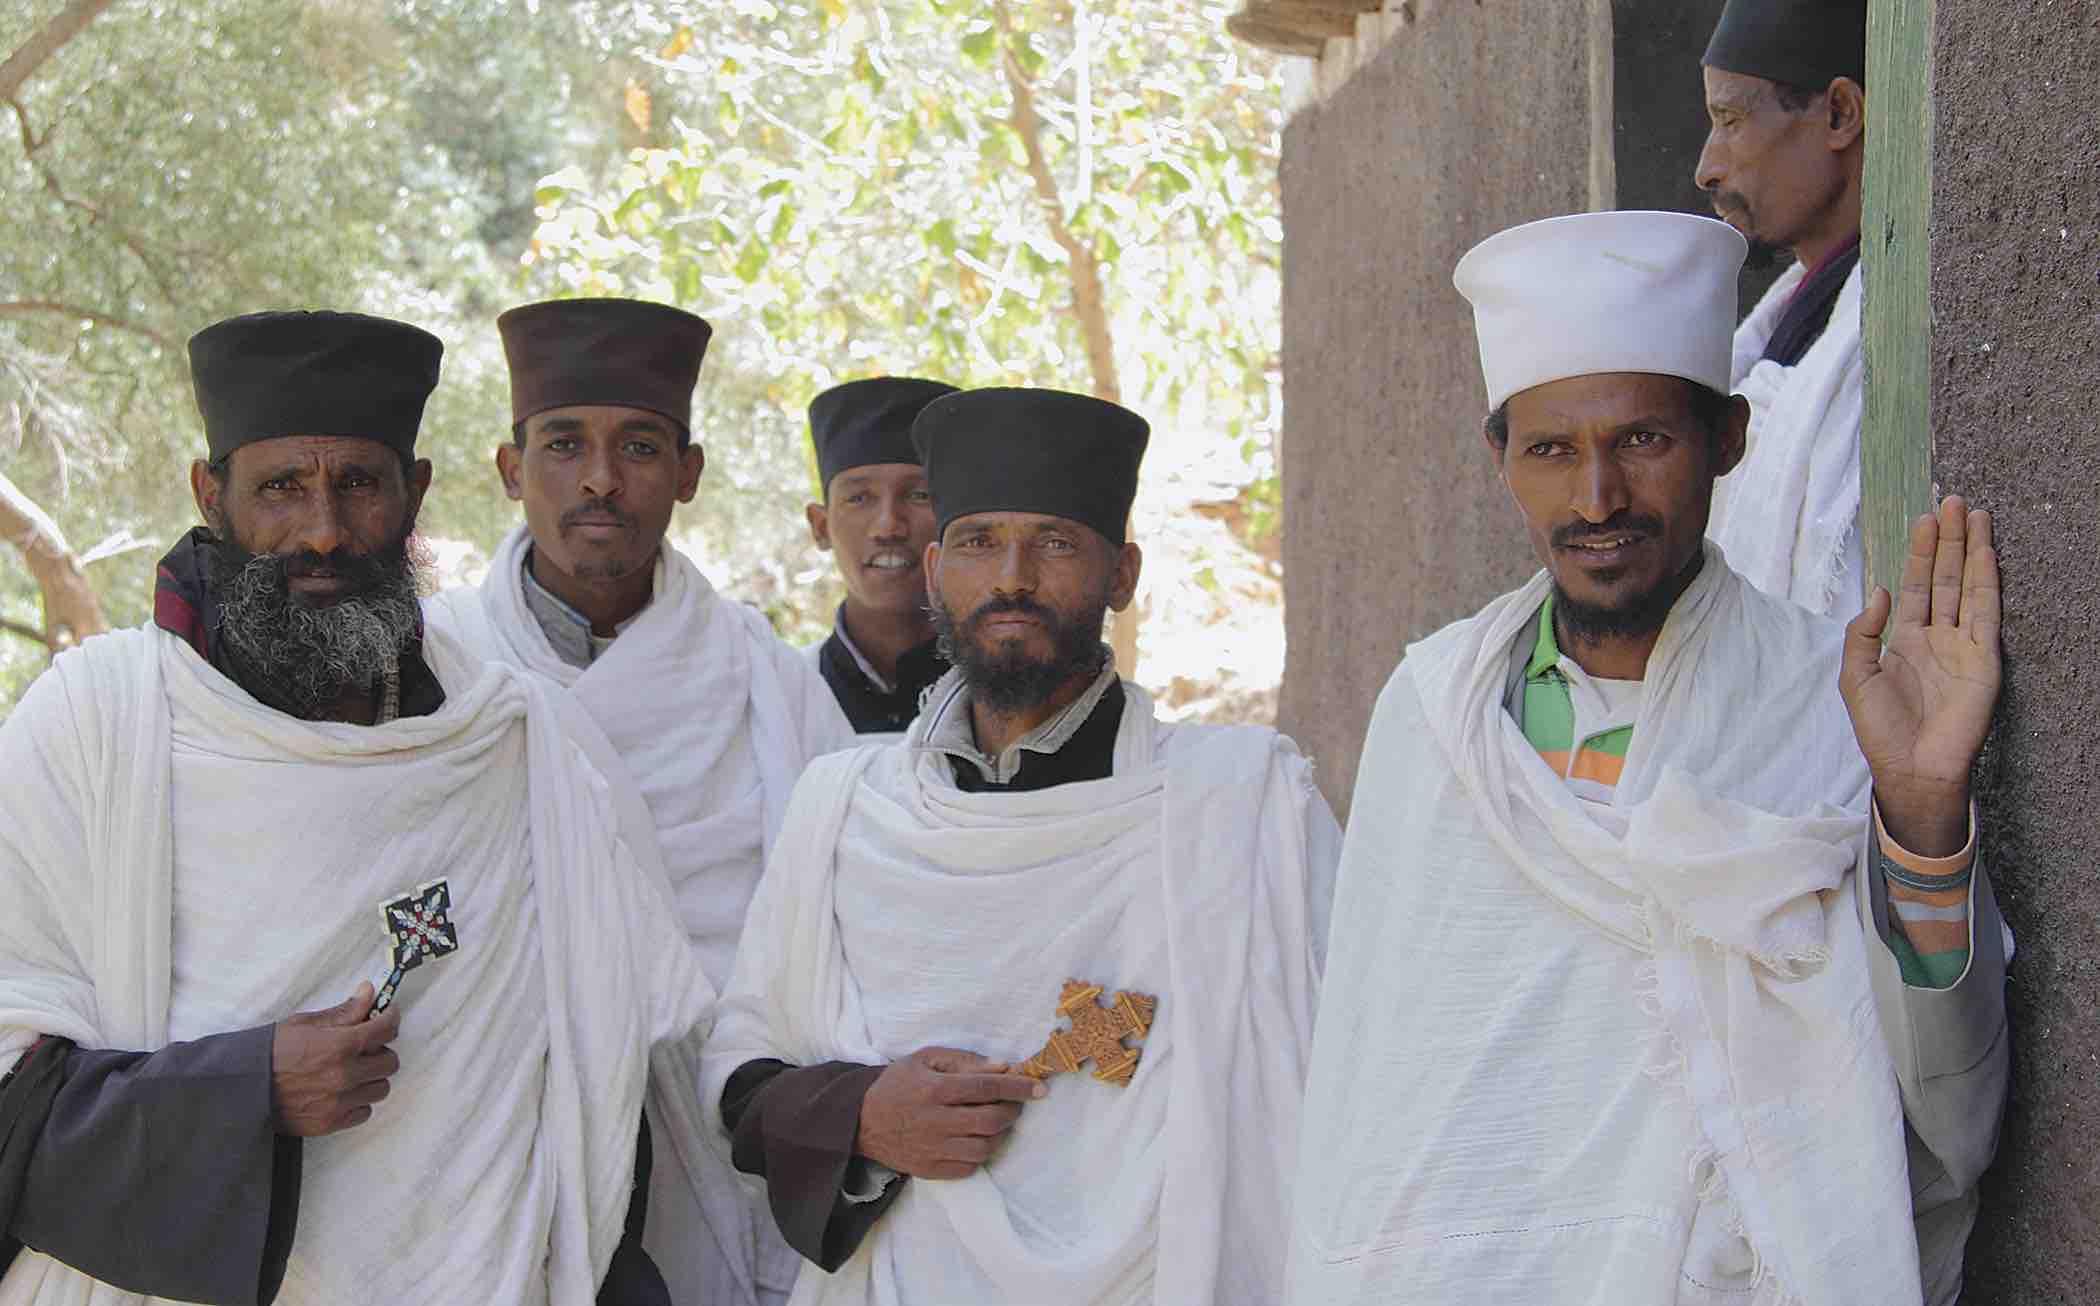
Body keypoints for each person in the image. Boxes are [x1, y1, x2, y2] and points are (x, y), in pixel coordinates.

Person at [1284, 212, 2007, 1306]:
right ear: (1501, 460)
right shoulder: (1434, 712)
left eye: (1641, 441)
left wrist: (1920, 817)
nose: (1596, 501)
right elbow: (1373, 1098)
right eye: (1551, 451)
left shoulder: (1837, 704)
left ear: (1728, 439)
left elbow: (1953, 1106)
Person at [0, 311, 715, 1306]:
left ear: (415, 494)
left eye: (360, 485)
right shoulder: (95, 724)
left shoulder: (519, 744)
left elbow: (599, 1092)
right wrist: (244, 1093)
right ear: (212, 495)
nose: (325, 530)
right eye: (283, 487)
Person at [701, 387, 1342, 1304]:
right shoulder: (843, 808)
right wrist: (863, 1118)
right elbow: (739, 1072)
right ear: (934, 570)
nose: (1012, 577)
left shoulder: (1243, 807)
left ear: (1121, 575)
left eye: (1054, 543)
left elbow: (1352, 1081)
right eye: (978, 542)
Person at [424, 297, 852, 1306]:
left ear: (689, 473)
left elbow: (837, 933)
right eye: (565, 445)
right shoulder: (435, 669)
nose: (601, 480)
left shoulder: (769, 682)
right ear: (507, 467)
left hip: (725, 1140)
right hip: (488, 1151)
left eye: (640, 446)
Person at [1696, 0, 1871, 614]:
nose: (1706, 168)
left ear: (1840, 114)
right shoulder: (1795, 314)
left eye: (1731, 119)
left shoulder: (1875, 329)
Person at [802, 377, 957, 737]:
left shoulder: (1007, 696)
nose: (888, 527)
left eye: (919, 495)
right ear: (821, 526)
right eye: (859, 498)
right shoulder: (781, 692)